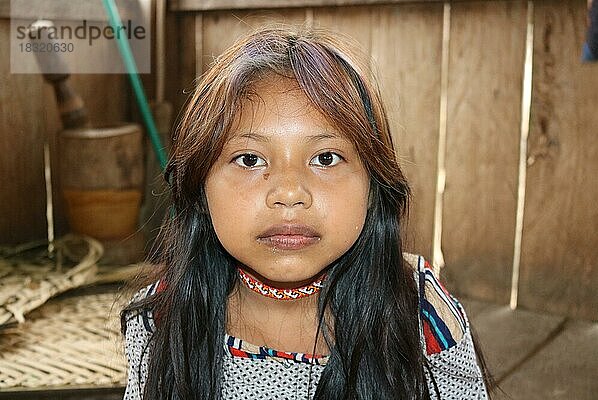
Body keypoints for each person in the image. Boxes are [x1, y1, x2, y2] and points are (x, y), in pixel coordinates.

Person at [121, 25, 493, 400]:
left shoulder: (420, 315)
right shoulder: (160, 321)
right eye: (249, 159)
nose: (288, 194)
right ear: (200, 188)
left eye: (325, 158)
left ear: (372, 186)